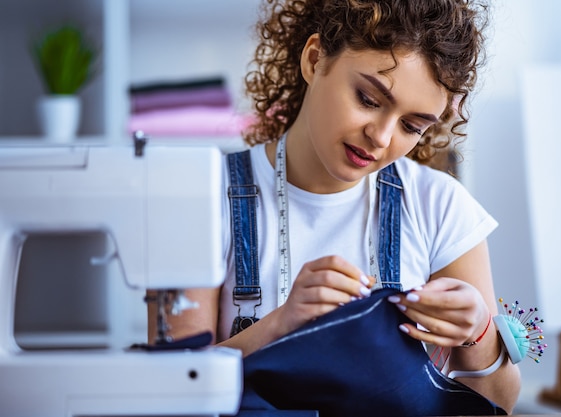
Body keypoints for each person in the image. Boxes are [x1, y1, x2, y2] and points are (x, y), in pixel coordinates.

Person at [148, 0, 521, 413]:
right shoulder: (202, 197)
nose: (381, 136)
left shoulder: (440, 207)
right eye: (367, 98)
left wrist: (479, 334)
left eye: (411, 126)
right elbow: (168, 390)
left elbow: (499, 405)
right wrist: (280, 325)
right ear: (313, 60)